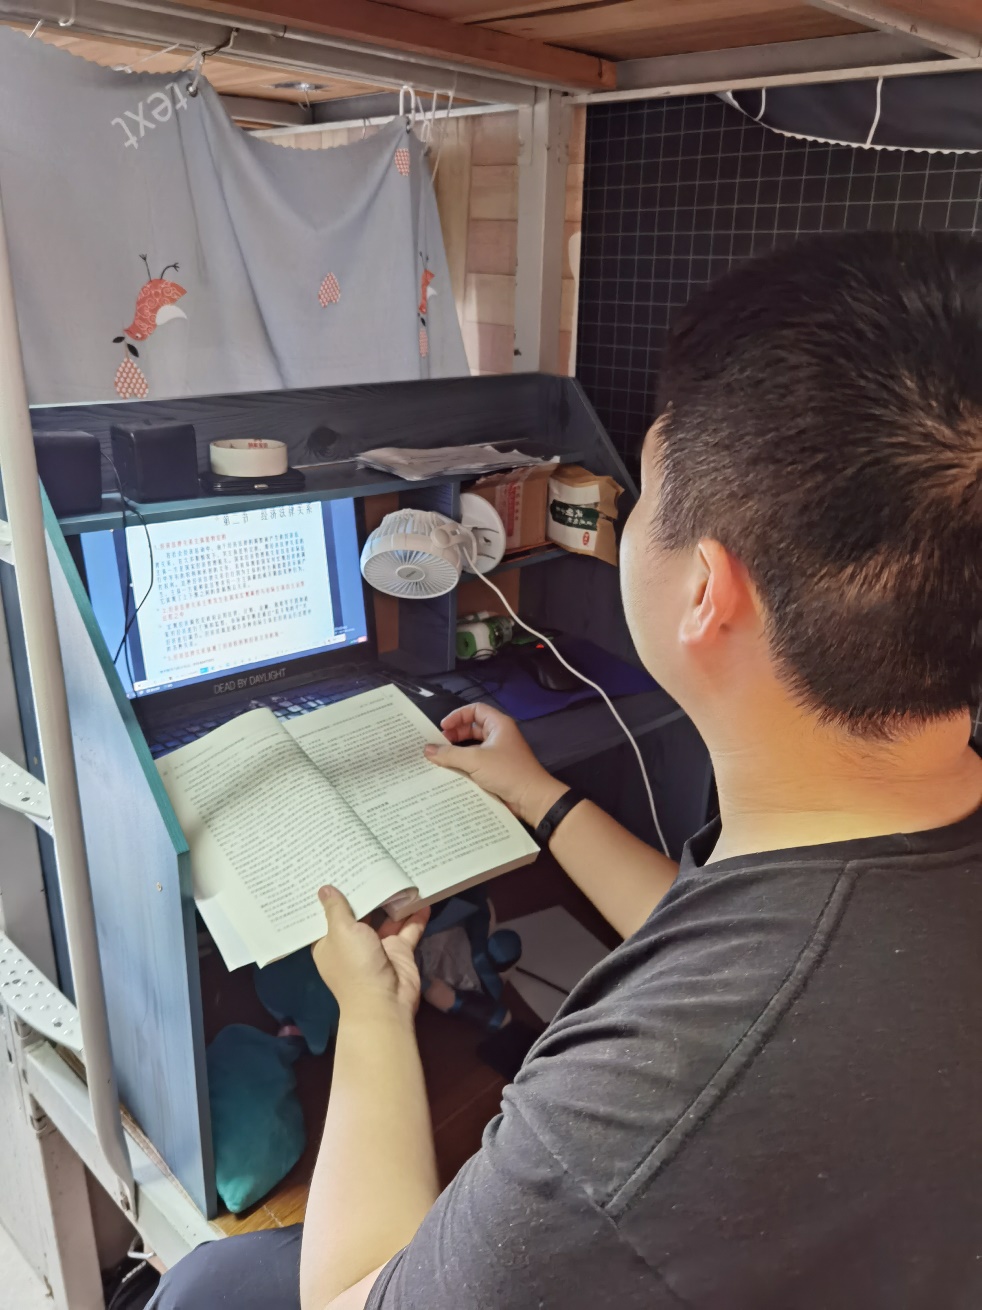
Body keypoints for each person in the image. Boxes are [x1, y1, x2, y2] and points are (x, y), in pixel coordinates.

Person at [151, 230, 982, 1310]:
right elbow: (733, 933)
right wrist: (536, 795)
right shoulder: (879, 847)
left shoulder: (639, 1115)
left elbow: (354, 1294)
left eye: (647, 494)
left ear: (706, 591)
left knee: (213, 1282)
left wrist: (373, 1010)